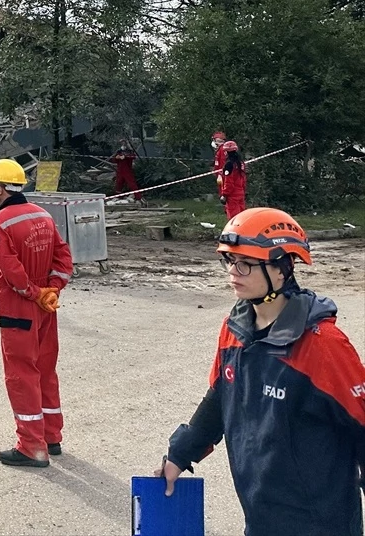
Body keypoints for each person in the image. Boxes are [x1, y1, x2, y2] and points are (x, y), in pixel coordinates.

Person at [155, 208, 365, 536]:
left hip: (320, 525)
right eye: (229, 261)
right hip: (260, 519)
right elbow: (219, 402)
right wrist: (179, 455)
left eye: (246, 264)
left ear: (283, 268)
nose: (233, 273)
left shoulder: (323, 345)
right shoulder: (235, 329)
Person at [0, 158, 74, 468]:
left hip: (19, 308)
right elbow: (64, 257)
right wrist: (52, 290)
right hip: (46, 306)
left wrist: (35, 294)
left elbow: (11, 271)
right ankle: (52, 436)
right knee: (46, 370)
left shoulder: (0, 222)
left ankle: (31, 446)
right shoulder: (42, 214)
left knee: (21, 375)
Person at [219, 140, 247, 220]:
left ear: (226, 152)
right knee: (242, 217)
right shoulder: (241, 163)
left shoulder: (229, 165)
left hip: (232, 195)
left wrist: (224, 194)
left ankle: (234, 232)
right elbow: (243, 179)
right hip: (241, 193)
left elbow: (229, 182)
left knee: (233, 218)